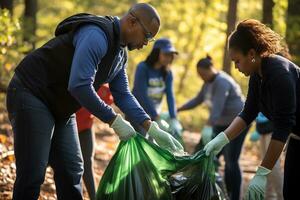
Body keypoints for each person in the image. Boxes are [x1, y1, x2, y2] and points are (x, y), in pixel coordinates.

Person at [6, 3, 184, 200]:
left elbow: (123, 94)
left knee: (72, 170)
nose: (146, 43)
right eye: (147, 36)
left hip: (61, 107)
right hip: (32, 92)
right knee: (33, 173)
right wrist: (114, 120)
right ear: (132, 22)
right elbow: (79, 85)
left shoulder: (120, 54)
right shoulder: (97, 35)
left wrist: (151, 127)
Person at [203, 19, 300, 200]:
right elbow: (248, 113)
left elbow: (282, 127)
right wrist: (221, 139)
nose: (236, 67)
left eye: (237, 61)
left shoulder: (280, 74)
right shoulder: (257, 74)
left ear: (251, 53)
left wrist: (262, 172)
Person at [177, 55, 249, 200]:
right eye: (199, 75)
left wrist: (208, 126)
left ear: (210, 69)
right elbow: (198, 99)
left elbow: (217, 107)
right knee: (203, 152)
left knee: (231, 160)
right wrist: (178, 109)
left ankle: (233, 196)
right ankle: (198, 191)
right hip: (220, 123)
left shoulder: (221, 82)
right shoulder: (207, 83)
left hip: (237, 123)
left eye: (202, 74)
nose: (201, 77)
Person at [131, 38, 181, 137]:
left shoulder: (168, 73)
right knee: (141, 143)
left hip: (154, 115)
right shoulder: (143, 68)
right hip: (138, 113)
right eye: (166, 54)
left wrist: (173, 118)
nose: (169, 58)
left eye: (171, 55)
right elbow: (141, 95)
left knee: (153, 145)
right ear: (156, 53)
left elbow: (170, 96)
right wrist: (156, 117)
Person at [76, 84, 113, 200]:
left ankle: (94, 197)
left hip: (85, 126)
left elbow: (112, 102)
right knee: (48, 161)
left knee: (87, 162)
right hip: (64, 125)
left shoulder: (104, 88)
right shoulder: (77, 76)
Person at [250, 113, 283, 200]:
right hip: (263, 128)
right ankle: (269, 196)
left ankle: (281, 196)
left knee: (273, 165)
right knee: (265, 165)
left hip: (275, 127)